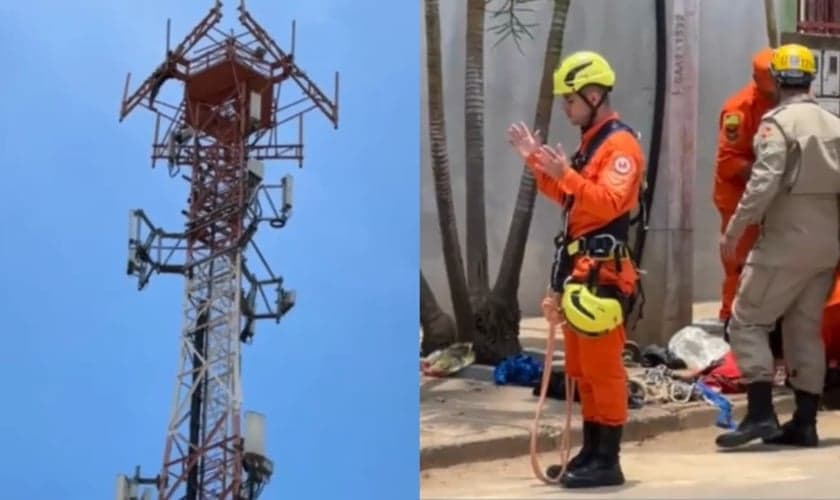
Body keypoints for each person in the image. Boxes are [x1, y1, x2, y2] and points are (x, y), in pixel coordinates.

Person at [507, 50, 644, 488]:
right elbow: (572, 197)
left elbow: (607, 201)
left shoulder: (620, 147)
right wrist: (536, 160)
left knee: (603, 371)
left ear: (593, 94)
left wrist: (566, 173)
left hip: (602, 274)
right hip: (579, 271)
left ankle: (609, 459)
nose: (566, 109)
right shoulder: (592, 143)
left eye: (570, 100)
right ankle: (590, 452)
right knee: (582, 372)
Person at [716, 43, 840, 449]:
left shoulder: (776, 124)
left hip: (785, 241)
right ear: (809, 77)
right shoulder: (834, 124)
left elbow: (762, 183)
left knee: (747, 320)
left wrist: (734, 232)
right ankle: (804, 423)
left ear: (777, 79)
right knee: (805, 330)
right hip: (826, 246)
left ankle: (760, 414)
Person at [713, 47, 777, 328]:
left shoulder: (791, 101)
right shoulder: (739, 110)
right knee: (740, 267)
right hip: (739, 199)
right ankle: (730, 322)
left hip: (775, 200)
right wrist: (768, 174)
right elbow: (728, 162)